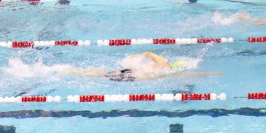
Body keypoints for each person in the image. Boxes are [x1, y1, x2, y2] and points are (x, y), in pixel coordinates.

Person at [64, 52, 219, 81]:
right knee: (98, 75)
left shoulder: (165, 67)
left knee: (99, 73)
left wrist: (137, 57)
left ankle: (71, 70)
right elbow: (150, 52)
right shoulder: (165, 67)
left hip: (133, 73)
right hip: (132, 76)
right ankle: (69, 71)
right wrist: (212, 73)